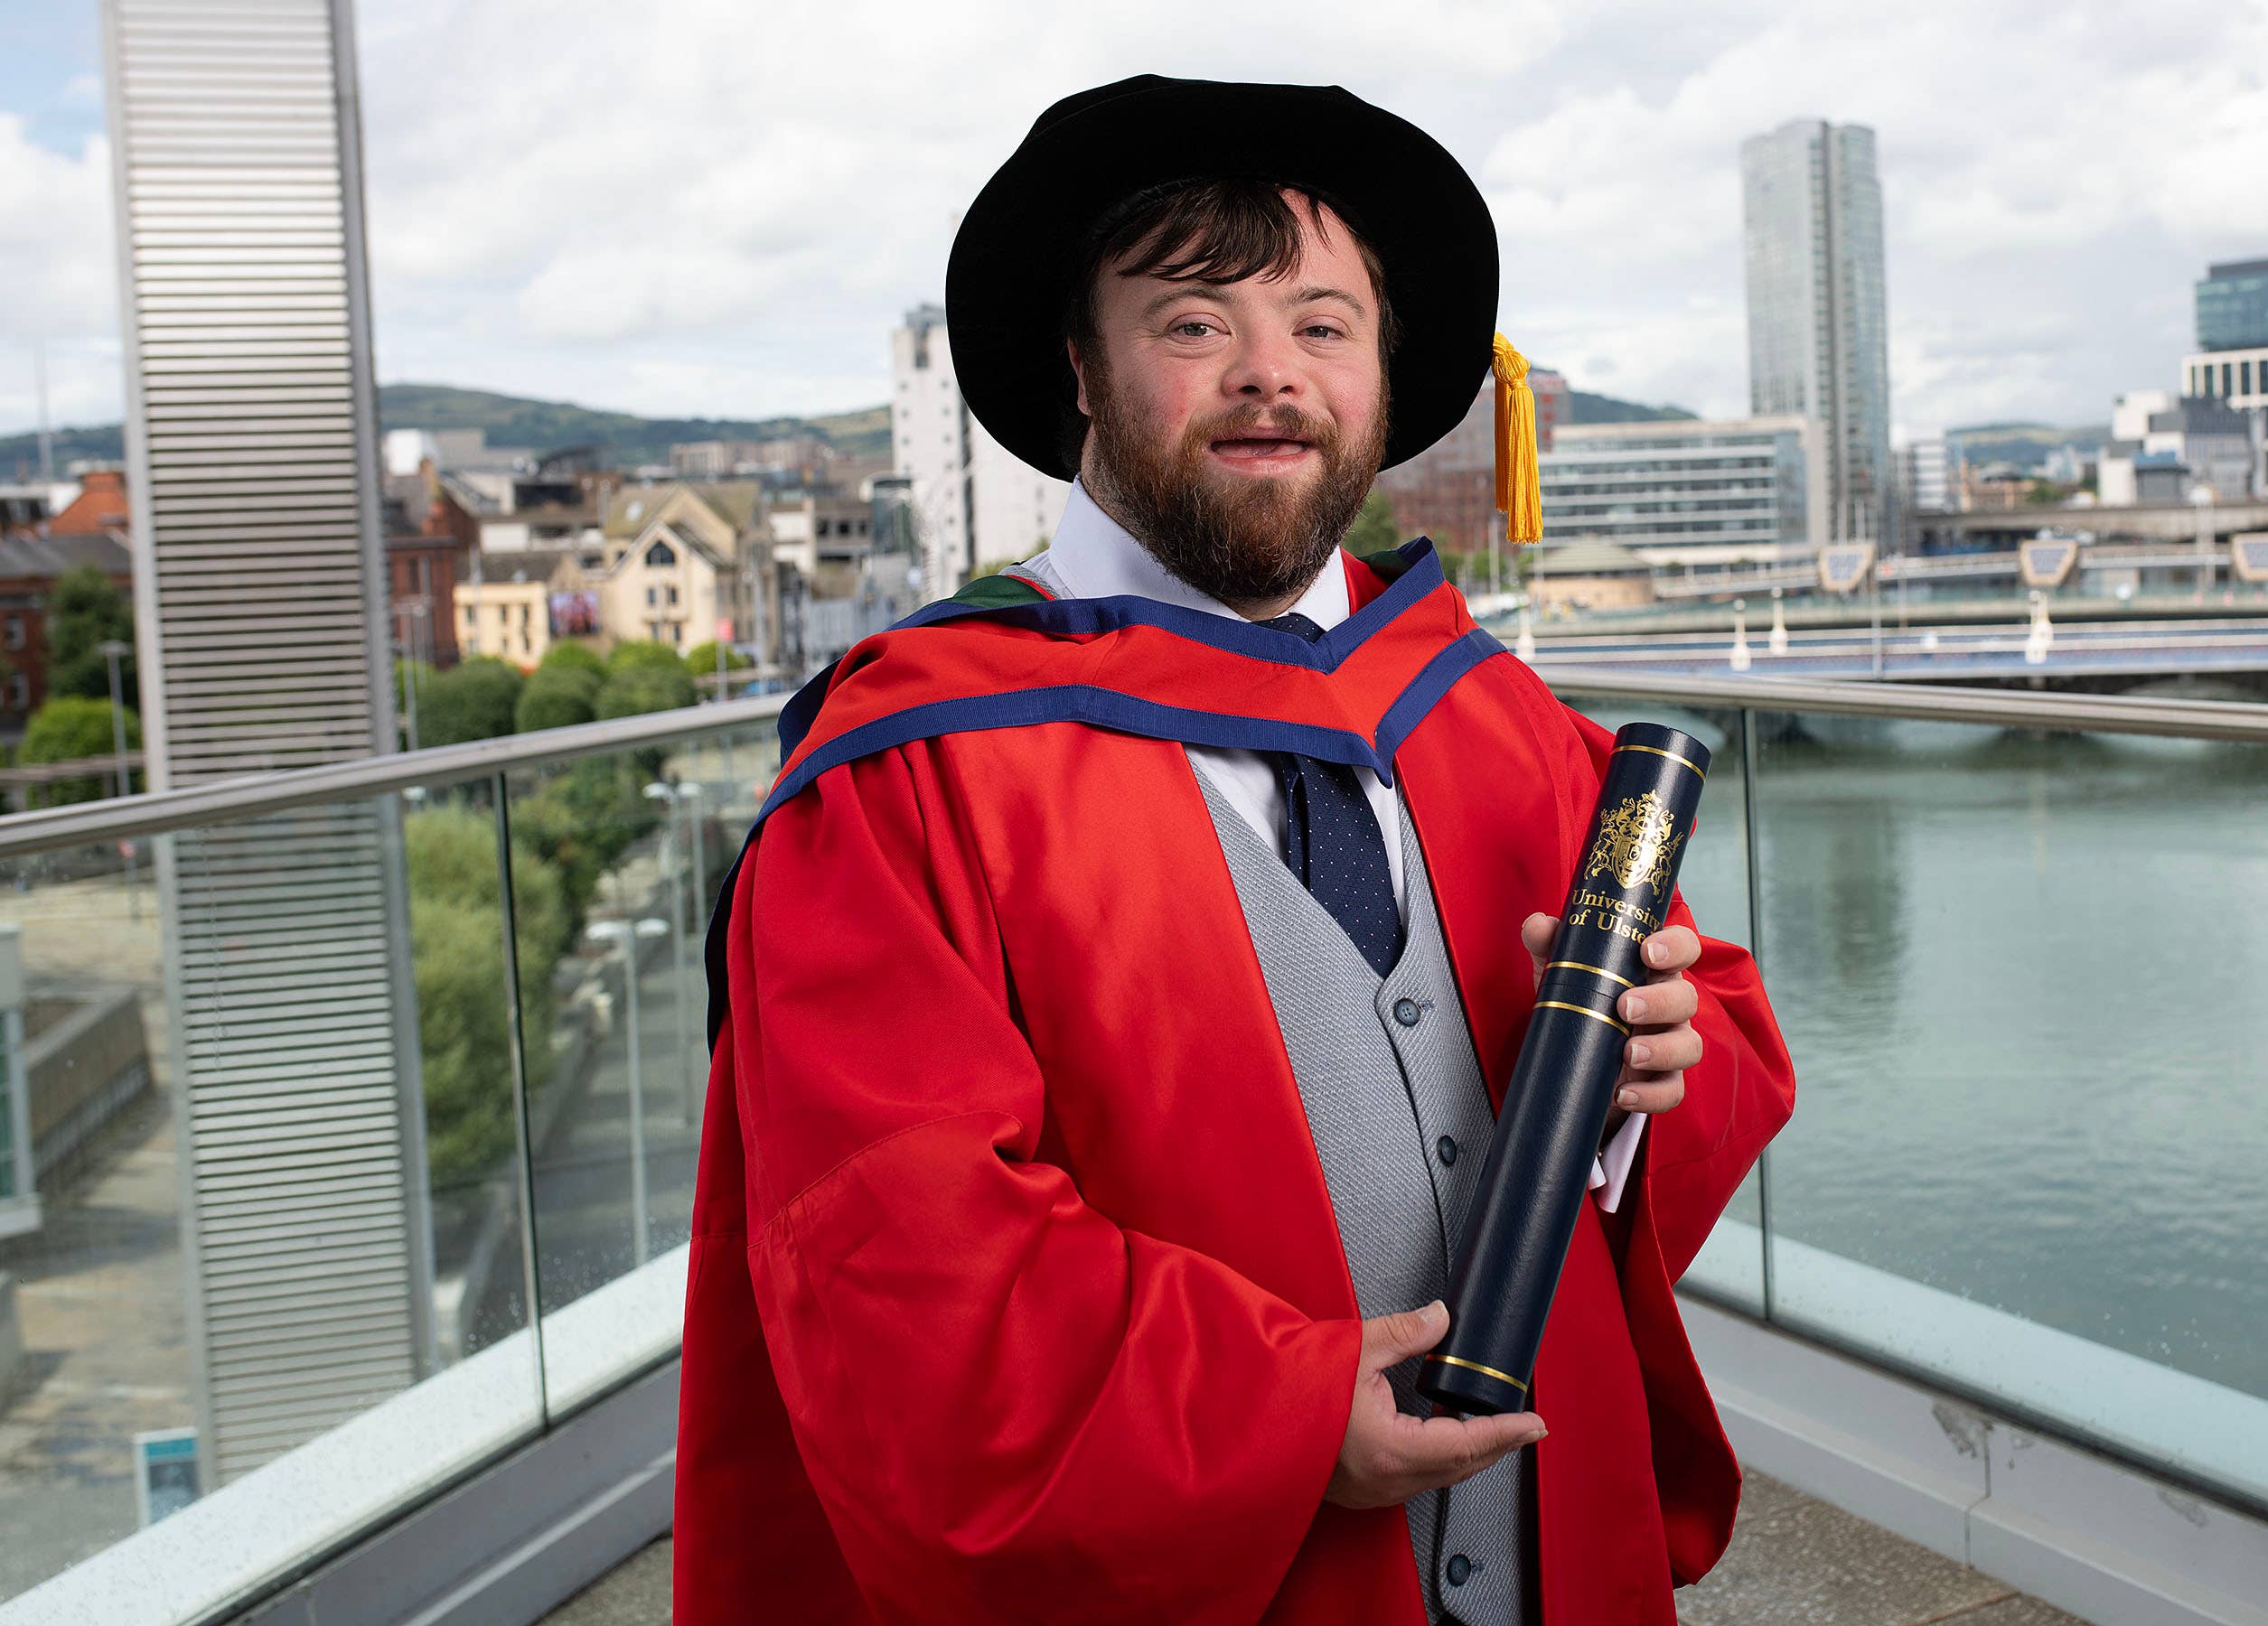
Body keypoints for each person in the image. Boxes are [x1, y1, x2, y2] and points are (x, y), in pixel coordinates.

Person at [674, 76, 1795, 1625]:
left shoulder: (1490, 713)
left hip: (1554, 1548)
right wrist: (1274, 1417)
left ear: (1385, 375)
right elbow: (895, 1253)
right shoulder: (904, 777)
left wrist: (1654, 1073)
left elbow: (1720, 1017)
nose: (1272, 377)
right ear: (1080, 366)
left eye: (1324, 327)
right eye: (1197, 323)